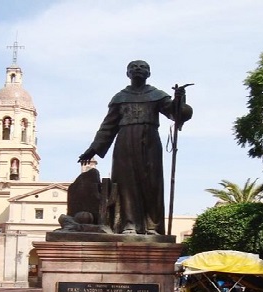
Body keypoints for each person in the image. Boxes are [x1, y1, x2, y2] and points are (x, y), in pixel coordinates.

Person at [78, 60, 192, 235]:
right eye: (134, 67)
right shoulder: (120, 98)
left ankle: (153, 226)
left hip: (150, 140)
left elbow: (177, 114)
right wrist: (93, 149)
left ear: (149, 73)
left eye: (143, 67)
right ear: (127, 73)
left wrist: (179, 99)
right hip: (125, 141)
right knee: (126, 183)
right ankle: (129, 224)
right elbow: (108, 127)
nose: (138, 69)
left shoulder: (157, 95)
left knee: (152, 183)